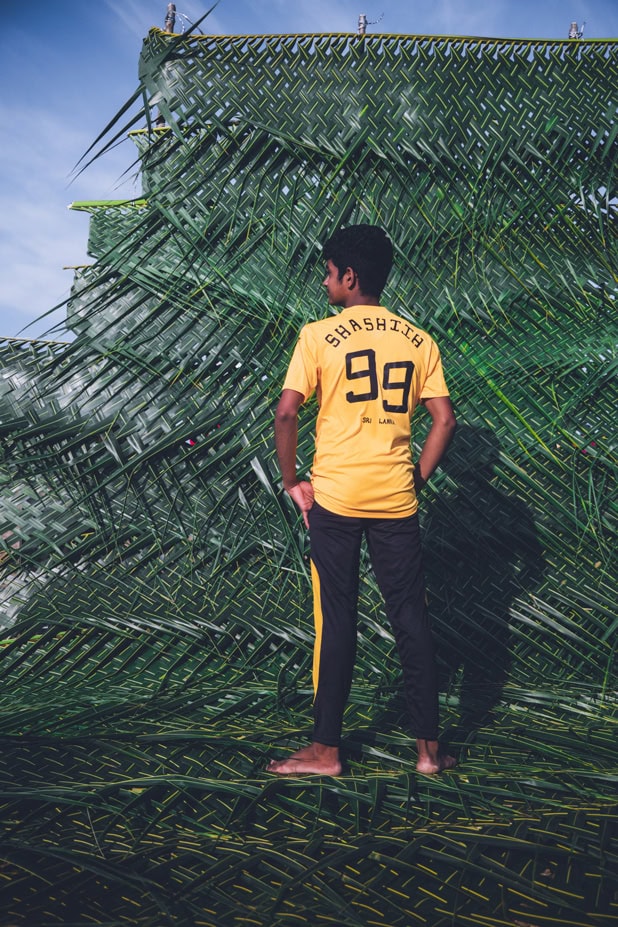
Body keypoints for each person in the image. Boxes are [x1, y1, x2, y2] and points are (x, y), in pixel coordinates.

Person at [268, 225, 457, 776]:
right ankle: (428, 753)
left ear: (349, 277)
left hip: (335, 497)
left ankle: (326, 751)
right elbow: (444, 421)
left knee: (337, 619)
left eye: (328, 273)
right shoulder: (419, 340)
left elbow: (286, 412)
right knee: (411, 618)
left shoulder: (317, 336)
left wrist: (291, 480)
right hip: (395, 499)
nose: (325, 281)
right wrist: (413, 478)